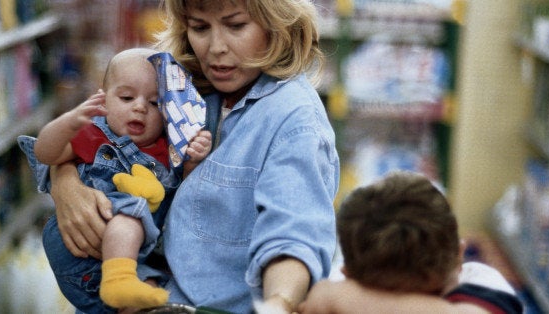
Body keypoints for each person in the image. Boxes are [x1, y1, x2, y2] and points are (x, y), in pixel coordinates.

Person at [44, 0, 341, 313]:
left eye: (236, 25)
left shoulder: (293, 120)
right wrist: (65, 182)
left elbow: (292, 238)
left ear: (277, 25)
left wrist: (279, 304)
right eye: (200, 27)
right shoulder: (177, 85)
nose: (215, 48)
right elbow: (98, 137)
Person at [19, 47, 212, 312]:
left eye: (155, 102)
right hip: (81, 248)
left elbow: (187, 195)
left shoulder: (167, 152)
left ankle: (122, 283)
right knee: (129, 212)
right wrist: (69, 122)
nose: (140, 107)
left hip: (133, 263)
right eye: (126, 97)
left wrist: (192, 158)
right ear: (104, 99)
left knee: (151, 290)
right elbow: (45, 152)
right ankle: (119, 279)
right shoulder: (95, 136)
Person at [298, 171, 524, 314]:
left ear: (348, 272)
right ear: (459, 254)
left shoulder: (478, 284)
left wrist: (335, 297)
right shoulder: (478, 283)